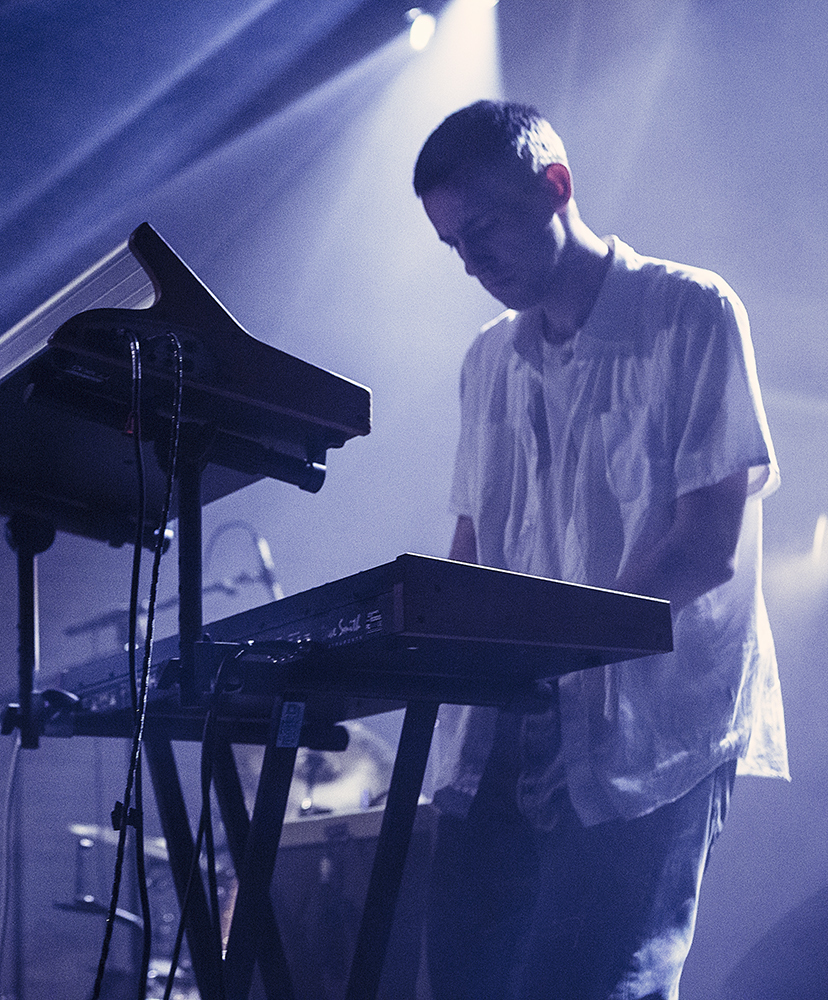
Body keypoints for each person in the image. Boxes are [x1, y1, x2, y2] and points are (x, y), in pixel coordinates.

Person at [412, 100, 787, 999]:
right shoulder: (485, 361)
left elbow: (705, 549)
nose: (473, 263)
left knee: (598, 982)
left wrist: (551, 652)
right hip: (513, 724)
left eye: (486, 230)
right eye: (453, 248)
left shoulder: (690, 311)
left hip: (650, 727)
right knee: (465, 979)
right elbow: (471, 546)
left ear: (558, 186)